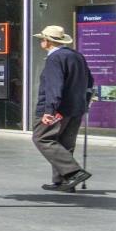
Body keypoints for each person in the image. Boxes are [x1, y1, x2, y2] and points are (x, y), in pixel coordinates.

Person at [32, 25, 94, 192]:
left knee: (42, 138)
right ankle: (63, 181)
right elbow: (89, 81)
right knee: (65, 143)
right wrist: (85, 101)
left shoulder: (55, 58)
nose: (40, 42)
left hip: (58, 109)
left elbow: (54, 86)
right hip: (76, 107)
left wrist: (49, 111)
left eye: (41, 39)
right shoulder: (76, 55)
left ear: (48, 41)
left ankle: (73, 172)